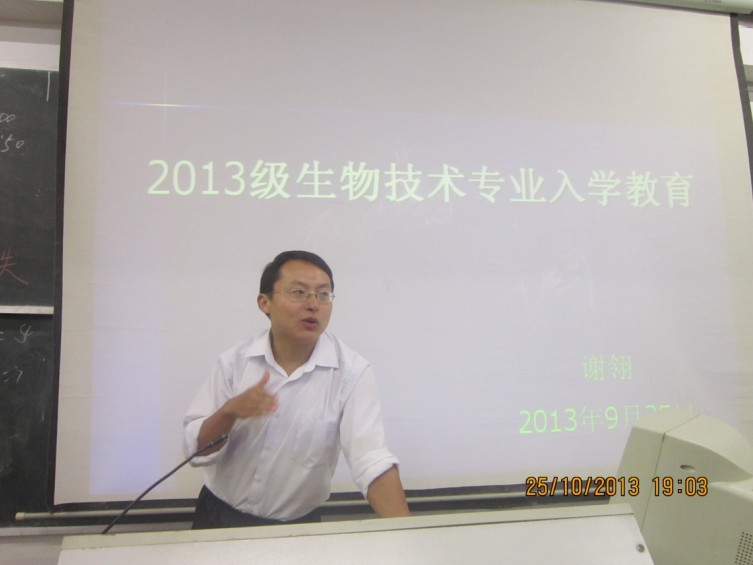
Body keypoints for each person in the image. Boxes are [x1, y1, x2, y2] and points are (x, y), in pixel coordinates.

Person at [183, 250, 410, 528]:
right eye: (299, 292)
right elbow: (195, 450)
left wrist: (406, 534)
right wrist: (229, 413)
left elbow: (371, 458)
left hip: (298, 526)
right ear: (265, 302)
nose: (313, 304)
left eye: (323, 294)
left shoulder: (351, 372)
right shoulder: (235, 363)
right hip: (219, 516)